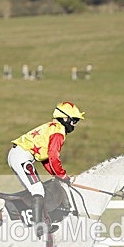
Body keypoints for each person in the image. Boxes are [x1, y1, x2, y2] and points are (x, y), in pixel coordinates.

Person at [8, 101, 84, 237]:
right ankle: (39, 226)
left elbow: (47, 160)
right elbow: (54, 157)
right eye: (74, 120)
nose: (74, 124)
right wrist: (63, 176)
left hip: (20, 156)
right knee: (37, 190)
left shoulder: (52, 127)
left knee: (37, 189)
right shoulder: (59, 131)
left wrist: (56, 174)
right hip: (22, 157)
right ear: (65, 118)